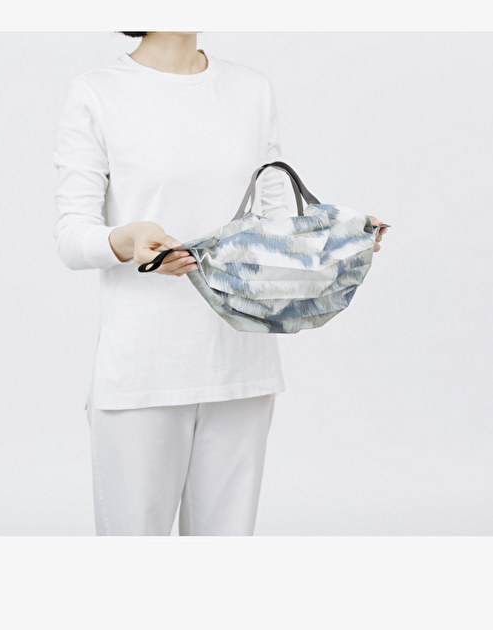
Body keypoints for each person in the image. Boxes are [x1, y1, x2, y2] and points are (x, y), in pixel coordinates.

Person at [53, 31, 386, 536]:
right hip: (144, 372)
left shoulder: (251, 89)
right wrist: (127, 239)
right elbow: (71, 236)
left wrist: (338, 243)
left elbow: (276, 229)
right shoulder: (97, 92)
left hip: (242, 367)